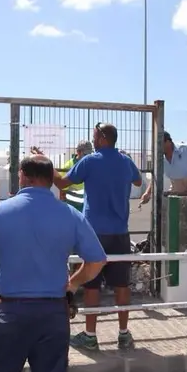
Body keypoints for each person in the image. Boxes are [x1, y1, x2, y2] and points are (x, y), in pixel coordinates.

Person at [0, 155, 107, 372]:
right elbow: (97, 260)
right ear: (51, 180)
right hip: (53, 315)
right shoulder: (70, 215)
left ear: (23, 176)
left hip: (10, 313)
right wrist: (73, 284)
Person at [52, 122, 143, 351]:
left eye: (94, 135)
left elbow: (62, 182)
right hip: (121, 233)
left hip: (94, 233)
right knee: (122, 285)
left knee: (92, 286)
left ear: (102, 137)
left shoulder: (90, 161)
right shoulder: (125, 161)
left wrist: (45, 164)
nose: (92, 139)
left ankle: (90, 336)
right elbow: (139, 181)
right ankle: (124, 334)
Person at [140, 130, 187, 251]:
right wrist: (147, 193)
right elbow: (156, 176)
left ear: (168, 142)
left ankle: (186, 240)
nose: (157, 148)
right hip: (175, 188)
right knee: (162, 211)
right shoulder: (159, 157)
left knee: (184, 211)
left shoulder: (186, 149)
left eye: (159, 144)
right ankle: (161, 243)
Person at [60, 140, 93, 212]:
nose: (88, 157)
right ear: (78, 152)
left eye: (89, 154)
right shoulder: (68, 166)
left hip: (85, 205)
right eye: (85, 154)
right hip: (72, 206)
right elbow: (62, 190)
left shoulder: (90, 165)